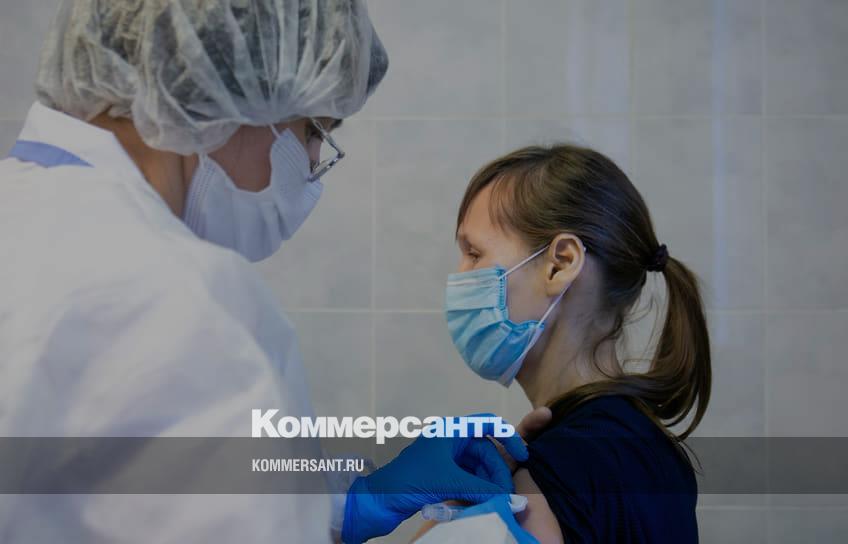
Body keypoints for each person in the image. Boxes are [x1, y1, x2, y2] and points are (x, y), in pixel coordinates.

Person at [0, 1, 540, 542]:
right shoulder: (178, 299)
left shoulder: (27, 214)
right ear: (230, 92)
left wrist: (351, 501)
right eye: (314, 132)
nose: (312, 165)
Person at [443, 144, 712, 543]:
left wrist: (453, 509)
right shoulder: (657, 452)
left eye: (473, 253)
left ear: (561, 264)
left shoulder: (548, 475)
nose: (459, 276)